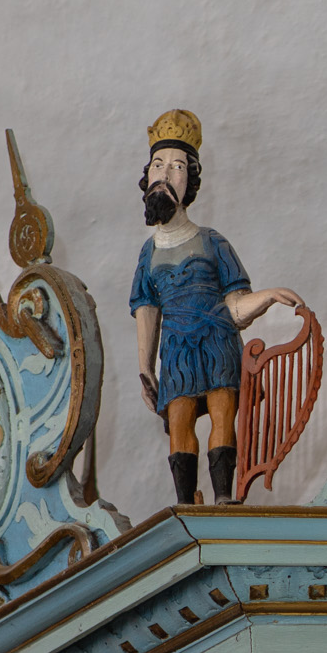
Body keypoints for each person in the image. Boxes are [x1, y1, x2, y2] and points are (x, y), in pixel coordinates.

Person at [129, 109, 302, 505]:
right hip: (176, 347)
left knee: (223, 413)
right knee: (179, 421)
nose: (165, 174)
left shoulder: (212, 241)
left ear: (189, 181)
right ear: (148, 176)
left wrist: (267, 297)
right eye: (158, 165)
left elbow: (235, 305)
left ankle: (224, 496)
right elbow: (147, 310)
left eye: (177, 167)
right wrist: (145, 367)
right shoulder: (148, 253)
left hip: (217, 338)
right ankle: (185, 502)